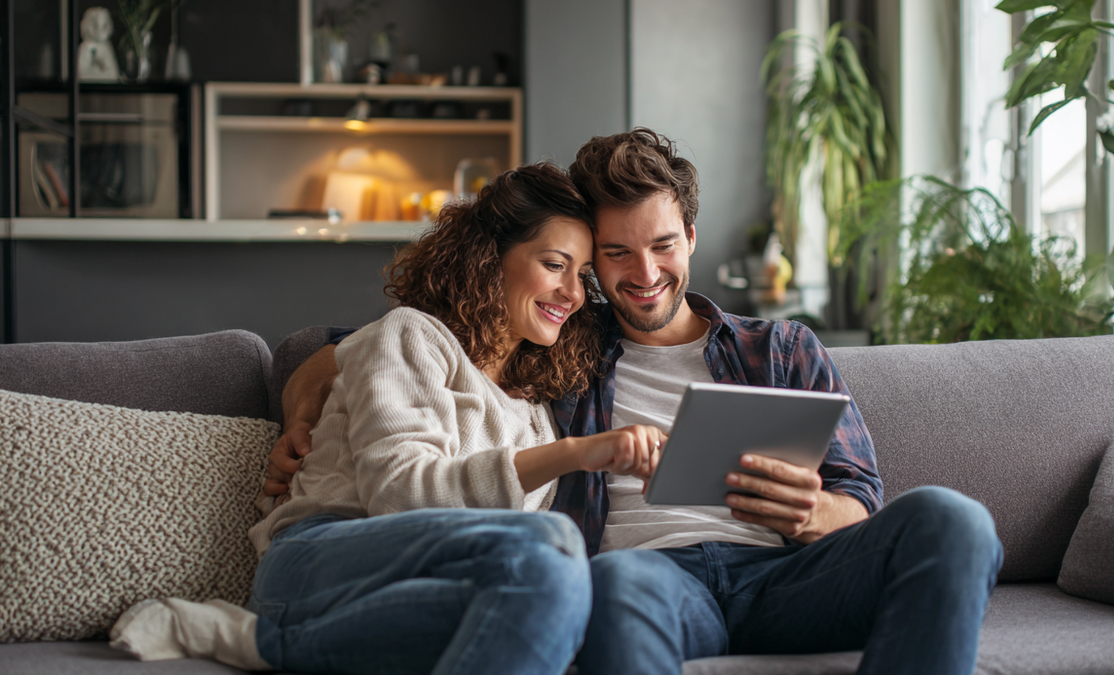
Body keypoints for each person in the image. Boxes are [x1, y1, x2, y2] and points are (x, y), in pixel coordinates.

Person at [268, 129, 1005, 675]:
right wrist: (302, 407)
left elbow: (862, 499)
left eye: (662, 245)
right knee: (616, 581)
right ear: (593, 261)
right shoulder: (562, 342)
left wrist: (814, 512)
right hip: (651, 578)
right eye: (616, 253)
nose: (645, 274)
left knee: (954, 519)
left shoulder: (781, 349)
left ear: (691, 237)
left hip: (787, 577)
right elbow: (355, 345)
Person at [108, 163, 665, 675]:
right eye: (554, 265)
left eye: (583, 274)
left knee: (558, 587)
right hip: (320, 563)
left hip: (426, 590)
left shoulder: (538, 412)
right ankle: (267, 636)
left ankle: (265, 644)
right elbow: (399, 496)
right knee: (549, 543)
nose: (572, 294)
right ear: (488, 259)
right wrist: (576, 454)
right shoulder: (411, 336)